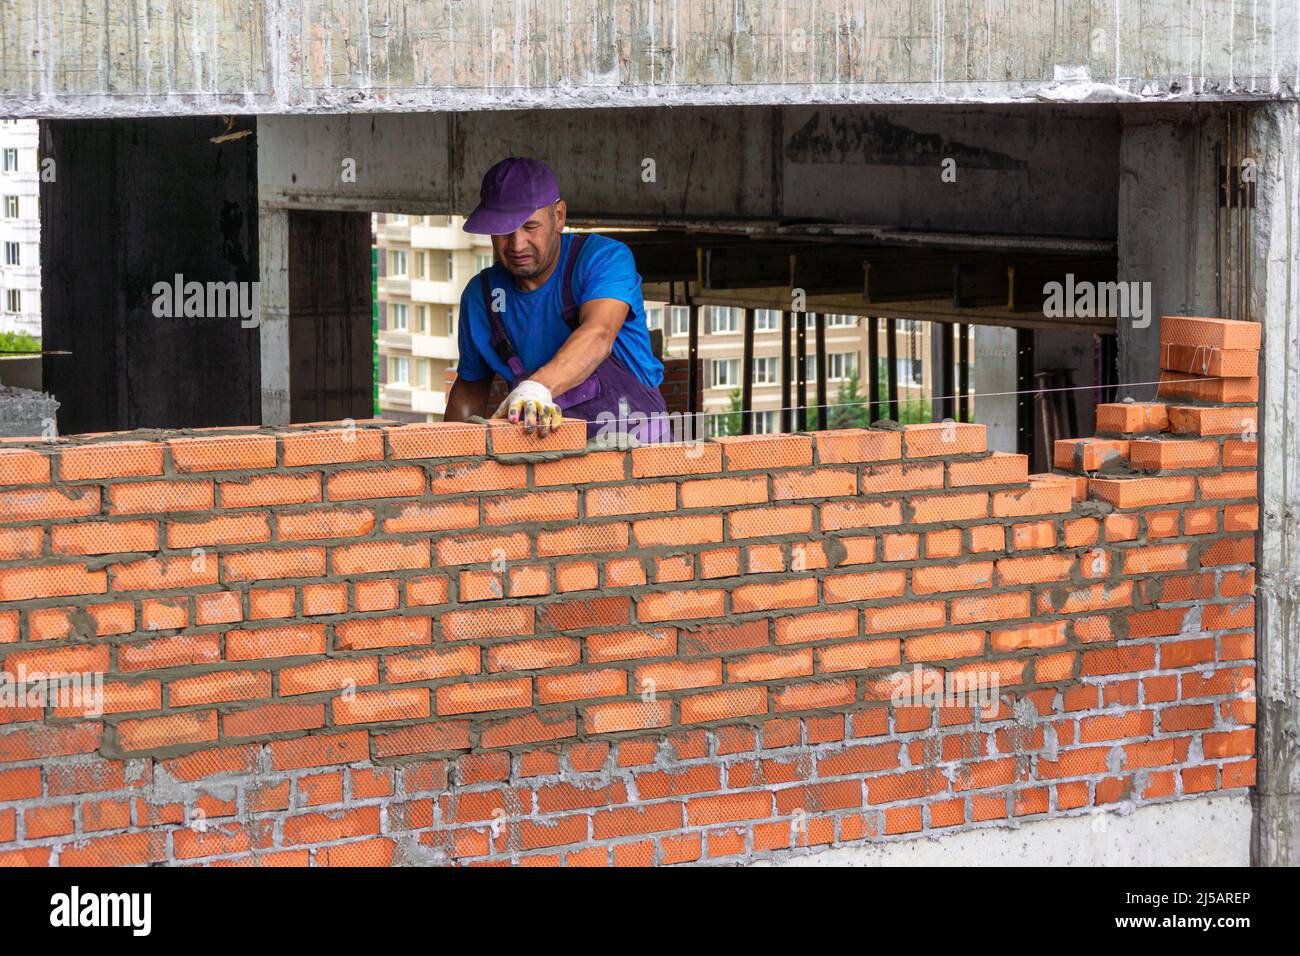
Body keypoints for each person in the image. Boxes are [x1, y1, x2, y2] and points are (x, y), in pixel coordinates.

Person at [443, 157, 669, 441]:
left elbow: (598, 334)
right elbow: (470, 390)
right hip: (549, 470)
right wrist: (449, 461)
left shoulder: (603, 260)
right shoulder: (482, 297)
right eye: (503, 231)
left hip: (640, 459)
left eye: (529, 227)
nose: (516, 244)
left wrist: (535, 389)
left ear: (559, 216)